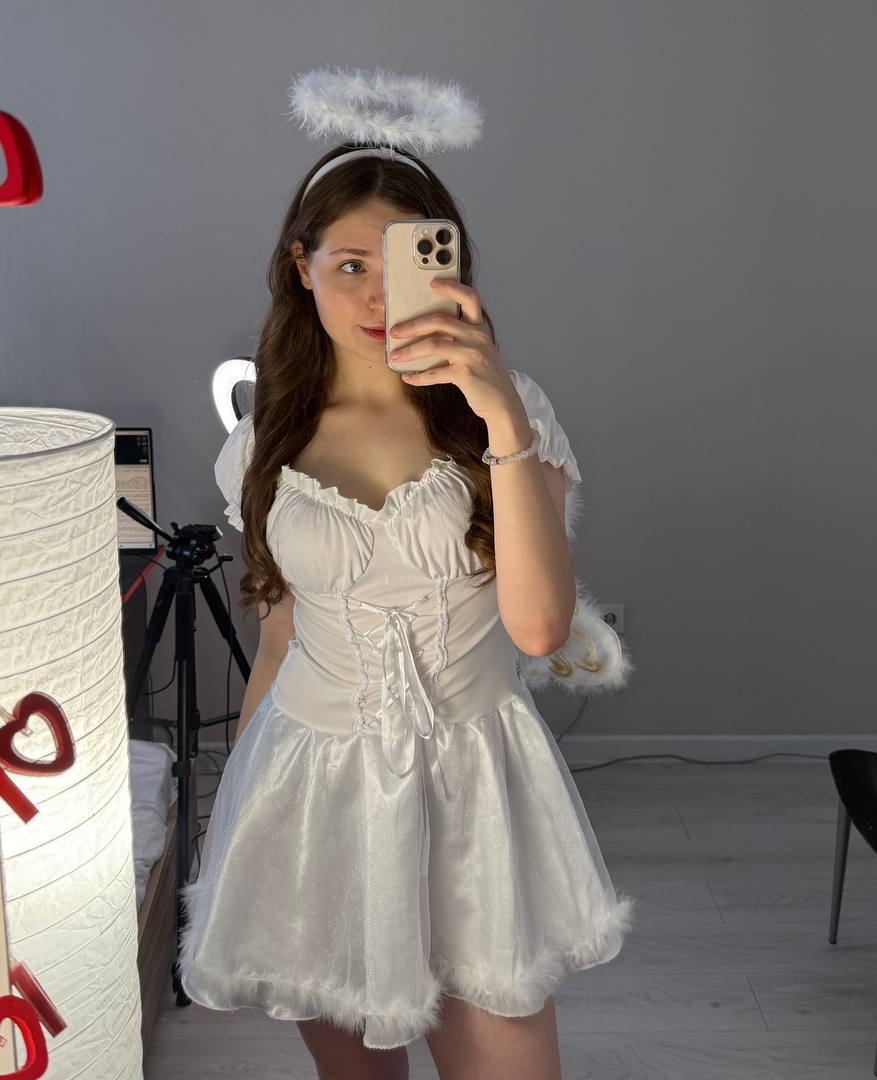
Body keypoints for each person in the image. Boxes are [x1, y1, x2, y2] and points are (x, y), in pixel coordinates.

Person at [176, 142, 634, 1080]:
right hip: (312, 793)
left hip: (474, 790)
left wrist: (500, 415)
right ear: (300, 265)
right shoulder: (261, 445)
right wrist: (239, 823)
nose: (380, 297)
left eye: (405, 261)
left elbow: (540, 630)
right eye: (351, 264)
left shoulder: (511, 413)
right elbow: (280, 639)